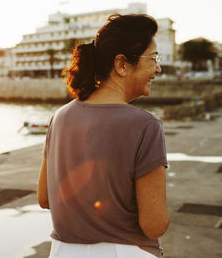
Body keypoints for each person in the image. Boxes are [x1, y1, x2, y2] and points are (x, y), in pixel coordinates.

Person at [37, 14, 170, 258]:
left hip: (62, 251)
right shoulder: (145, 125)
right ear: (121, 64)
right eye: (153, 58)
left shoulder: (60, 117)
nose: (158, 68)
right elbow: (155, 224)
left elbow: (45, 198)